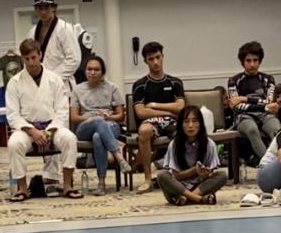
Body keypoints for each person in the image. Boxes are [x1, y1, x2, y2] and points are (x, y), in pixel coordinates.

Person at [6, 38, 81, 202]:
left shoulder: (55, 79)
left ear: (40, 55)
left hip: (52, 127)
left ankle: (67, 185)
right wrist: (32, 131)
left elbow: (62, 110)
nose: (31, 62)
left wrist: (48, 132)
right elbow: (13, 114)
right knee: (14, 143)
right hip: (27, 129)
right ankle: (22, 189)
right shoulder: (15, 82)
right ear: (22, 59)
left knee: (69, 138)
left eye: (33, 57)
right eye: (27, 59)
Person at [70, 55, 131, 196]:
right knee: (97, 120)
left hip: (110, 125)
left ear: (103, 72)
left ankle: (101, 183)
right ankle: (119, 157)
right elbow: (74, 117)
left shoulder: (112, 88)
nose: (92, 72)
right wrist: (91, 118)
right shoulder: (77, 89)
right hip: (85, 127)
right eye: (89, 69)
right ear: (85, 71)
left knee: (98, 137)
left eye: (96, 70)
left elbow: (120, 116)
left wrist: (108, 117)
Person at [131, 41, 185, 193]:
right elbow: (141, 112)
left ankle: (180, 175)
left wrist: (154, 105)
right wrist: (168, 111)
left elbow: (180, 106)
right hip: (150, 122)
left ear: (163, 57)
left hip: (172, 121)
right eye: (151, 59)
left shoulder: (175, 82)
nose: (155, 62)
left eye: (158, 57)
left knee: (185, 130)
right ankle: (148, 178)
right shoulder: (140, 85)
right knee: (144, 131)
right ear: (145, 61)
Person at [157, 105, 228, 205]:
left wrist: (204, 175)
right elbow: (176, 176)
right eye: (186, 121)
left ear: (200, 123)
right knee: (162, 175)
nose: (190, 125)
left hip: (199, 187)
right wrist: (194, 170)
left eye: (194, 121)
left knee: (222, 175)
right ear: (181, 125)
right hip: (179, 188)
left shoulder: (209, 144)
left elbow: (209, 174)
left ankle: (186, 199)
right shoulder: (174, 145)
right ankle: (199, 199)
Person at [228, 41, 281, 164]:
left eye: (255, 60)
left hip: (265, 115)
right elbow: (237, 107)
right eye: (248, 60)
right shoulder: (233, 81)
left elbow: (269, 102)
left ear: (260, 61)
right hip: (243, 117)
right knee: (252, 130)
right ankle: (270, 164)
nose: (252, 64)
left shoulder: (268, 79)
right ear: (242, 62)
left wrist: (244, 98)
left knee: (276, 130)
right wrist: (263, 107)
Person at [27, 0, 80, 92]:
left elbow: (74, 59)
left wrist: (52, 78)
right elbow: (29, 58)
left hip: (61, 85)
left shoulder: (65, 29)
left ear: (54, 7)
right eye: (40, 8)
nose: (43, 12)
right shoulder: (32, 32)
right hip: (38, 85)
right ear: (35, 9)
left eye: (46, 7)